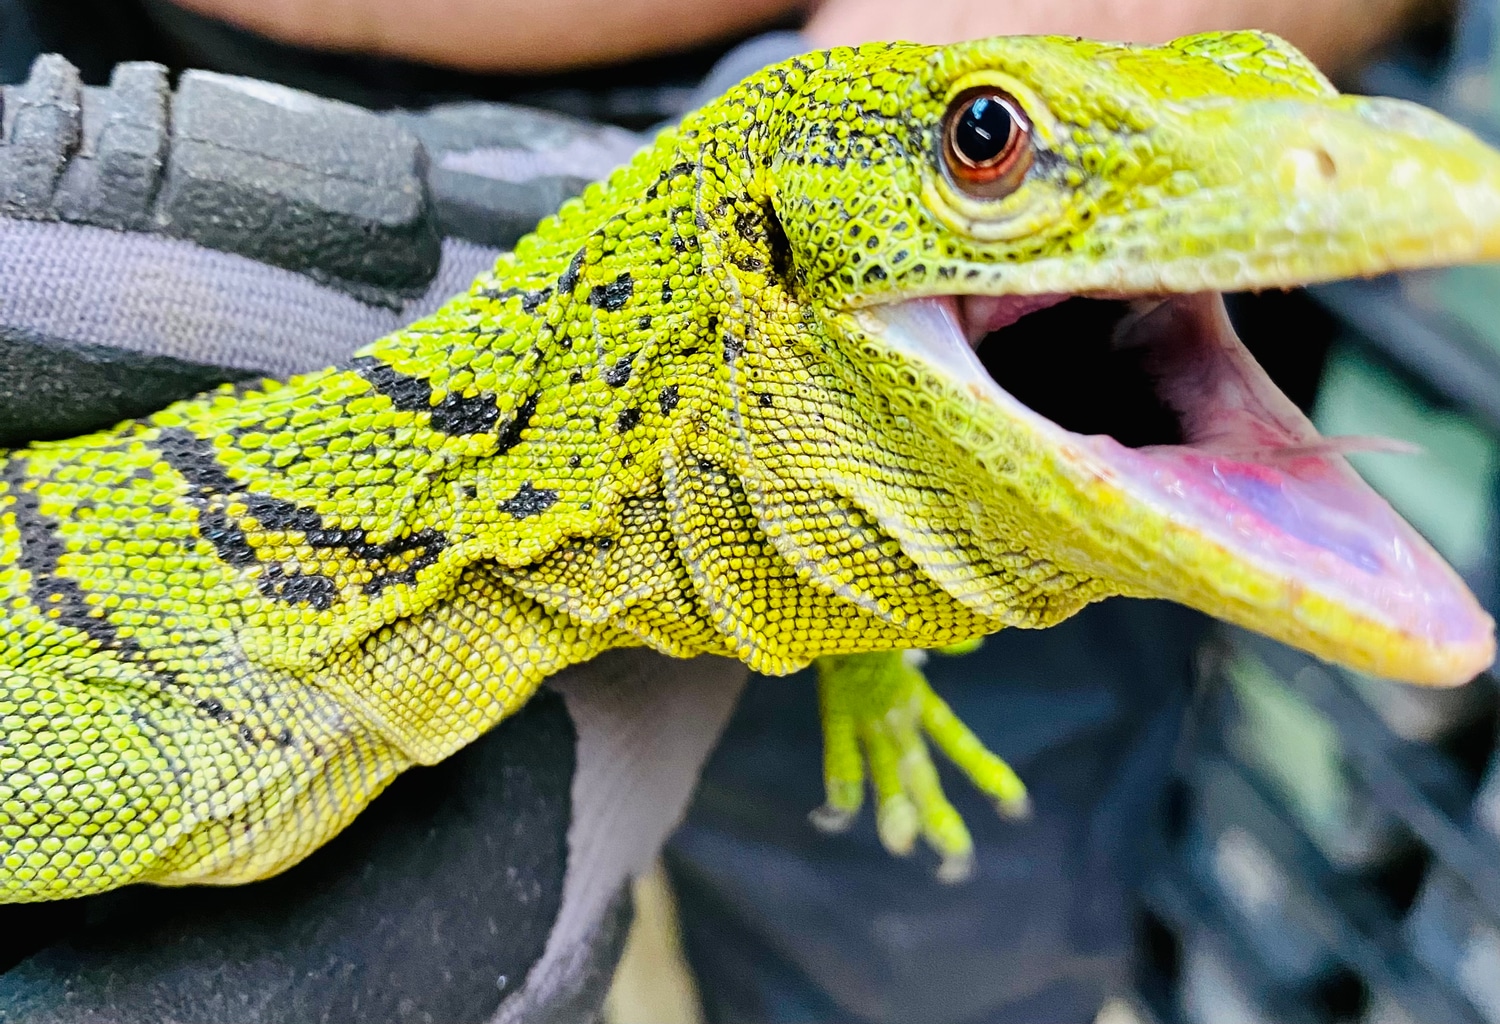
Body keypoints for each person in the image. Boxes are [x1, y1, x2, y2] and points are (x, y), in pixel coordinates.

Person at [0, 2, 1454, 1022]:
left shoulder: (793, 395)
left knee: (938, 960)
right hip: (159, 71)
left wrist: (871, 642)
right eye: (991, 147)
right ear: (741, 274)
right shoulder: (170, 736)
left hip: (823, 63)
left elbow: (818, 414)